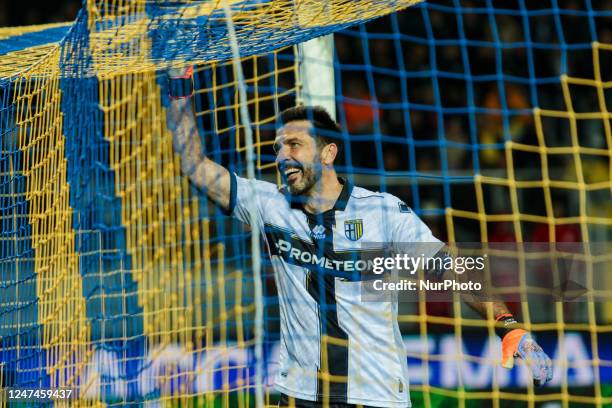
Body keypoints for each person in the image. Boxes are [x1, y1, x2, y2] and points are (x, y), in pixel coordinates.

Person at [164, 67, 553, 408]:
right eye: (278, 148)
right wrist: (179, 89)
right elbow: (193, 164)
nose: (282, 156)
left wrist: (508, 323)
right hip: (300, 393)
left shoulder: (383, 211)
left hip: (376, 392)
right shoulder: (269, 204)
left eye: (294, 145)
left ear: (328, 152)